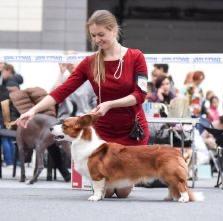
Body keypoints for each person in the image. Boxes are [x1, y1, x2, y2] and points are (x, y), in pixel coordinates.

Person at [16, 10, 149, 198]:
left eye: (101, 34)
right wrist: (33, 110)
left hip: (132, 130)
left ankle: (126, 183)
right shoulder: (90, 62)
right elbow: (62, 91)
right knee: (107, 190)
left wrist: (110, 104)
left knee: (123, 192)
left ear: (113, 30)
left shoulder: (136, 57)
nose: (97, 39)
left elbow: (140, 95)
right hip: (104, 133)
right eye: (93, 36)